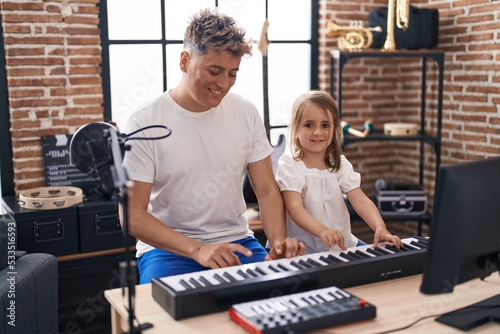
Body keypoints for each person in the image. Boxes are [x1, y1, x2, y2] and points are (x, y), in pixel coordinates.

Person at [122, 8, 305, 284]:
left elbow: (267, 190)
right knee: (168, 322)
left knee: (288, 297)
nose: (224, 84)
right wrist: (198, 250)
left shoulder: (245, 112)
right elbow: (131, 216)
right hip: (169, 251)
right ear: (184, 61)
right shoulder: (144, 121)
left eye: (232, 73)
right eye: (214, 71)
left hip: (237, 243)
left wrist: (277, 245)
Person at [276, 90, 402, 254]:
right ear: (295, 129)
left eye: (325, 125)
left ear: (334, 128)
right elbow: (295, 208)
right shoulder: (290, 165)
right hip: (306, 249)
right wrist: (323, 231)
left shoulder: (339, 164)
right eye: (309, 125)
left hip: (342, 246)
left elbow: (360, 201)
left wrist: (380, 227)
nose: (317, 132)